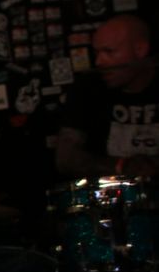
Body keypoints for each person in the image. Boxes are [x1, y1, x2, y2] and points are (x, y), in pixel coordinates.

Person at [56, 14, 159, 177]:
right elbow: (66, 159)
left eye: (109, 52)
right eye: (97, 52)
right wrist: (121, 166)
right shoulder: (88, 88)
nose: (99, 61)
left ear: (140, 49)